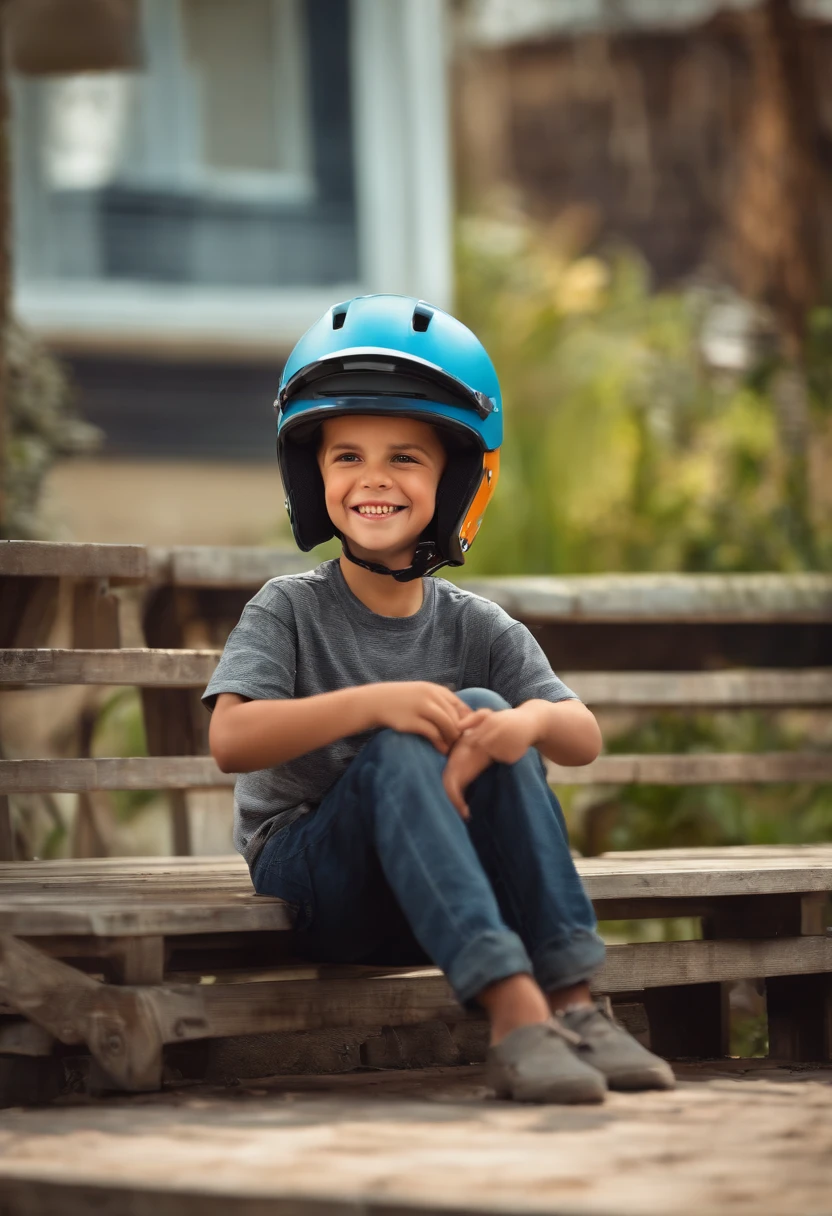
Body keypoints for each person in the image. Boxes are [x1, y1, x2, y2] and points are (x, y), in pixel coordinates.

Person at [203, 294, 674, 1104]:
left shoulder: (477, 626)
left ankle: (576, 1003)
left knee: (497, 706)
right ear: (312, 476)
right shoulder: (288, 608)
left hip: (445, 888)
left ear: (457, 480)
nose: (373, 479)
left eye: (405, 459)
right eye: (346, 456)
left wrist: (521, 725)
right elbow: (231, 740)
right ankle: (516, 1013)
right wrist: (375, 703)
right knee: (396, 748)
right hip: (318, 887)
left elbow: (582, 735)